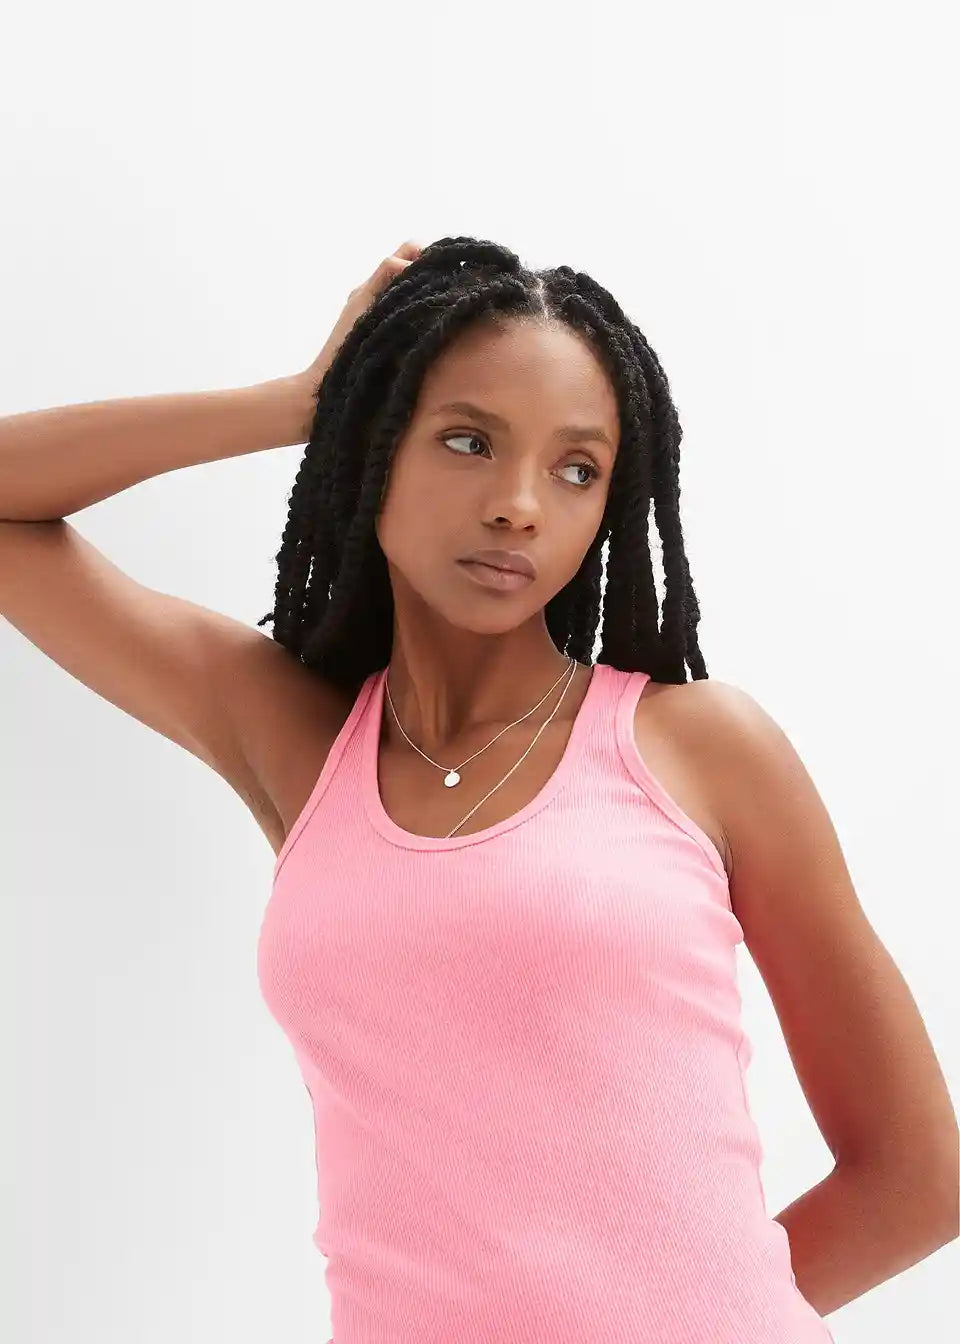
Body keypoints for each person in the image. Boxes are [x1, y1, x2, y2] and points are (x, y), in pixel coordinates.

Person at [2, 236, 955, 1342]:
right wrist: (296, 404)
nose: (518, 505)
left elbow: (918, 1177)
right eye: (468, 441)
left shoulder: (700, 749)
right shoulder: (302, 746)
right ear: (374, 445)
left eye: (576, 468)